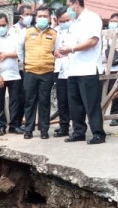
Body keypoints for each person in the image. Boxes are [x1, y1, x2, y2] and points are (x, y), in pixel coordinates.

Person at [56, 0, 106, 145]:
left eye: (69, 4)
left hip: (88, 68)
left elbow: (92, 42)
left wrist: (71, 49)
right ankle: (78, 132)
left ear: (76, 3)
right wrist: (62, 52)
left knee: (91, 104)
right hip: (73, 69)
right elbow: (72, 45)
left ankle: (98, 133)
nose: (68, 8)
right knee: (75, 104)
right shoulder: (74, 22)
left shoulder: (92, 18)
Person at [18, 5, 57, 140]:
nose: (42, 18)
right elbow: (19, 49)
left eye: (45, 16)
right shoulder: (27, 32)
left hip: (47, 72)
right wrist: (26, 63)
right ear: (35, 18)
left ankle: (44, 130)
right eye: (40, 16)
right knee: (29, 102)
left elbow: (57, 52)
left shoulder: (53, 33)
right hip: (30, 72)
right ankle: (28, 130)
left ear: (49, 18)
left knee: (44, 102)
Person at [0, 13, 23, 136]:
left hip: (14, 74)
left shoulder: (15, 37)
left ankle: (14, 125)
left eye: (3, 25)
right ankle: (1, 126)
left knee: (15, 101)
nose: (1, 27)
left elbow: (20, 54)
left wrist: (7, 54)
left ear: (7, 24)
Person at [8, 4, 35, 134]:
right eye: (27, 14)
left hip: (29, 68)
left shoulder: (32, 29)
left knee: (26, 97)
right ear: (21, 16)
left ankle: (19, 122)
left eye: (31, 14)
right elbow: (14, 50)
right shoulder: (14, 30)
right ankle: (14, 124)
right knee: (17, 98)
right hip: (17, 68)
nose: (30, 17)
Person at [53, 7, 73, 138]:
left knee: (74, 100)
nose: (65, 23)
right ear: (57, 20)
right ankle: (64, 126)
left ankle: (78, 127)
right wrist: (54, 53)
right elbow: (50, 49)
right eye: (62, 21)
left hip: (74, 69)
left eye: (67, 20)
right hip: (59, 69)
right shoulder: (55, 32)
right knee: (62, 100)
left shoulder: (77, 30)